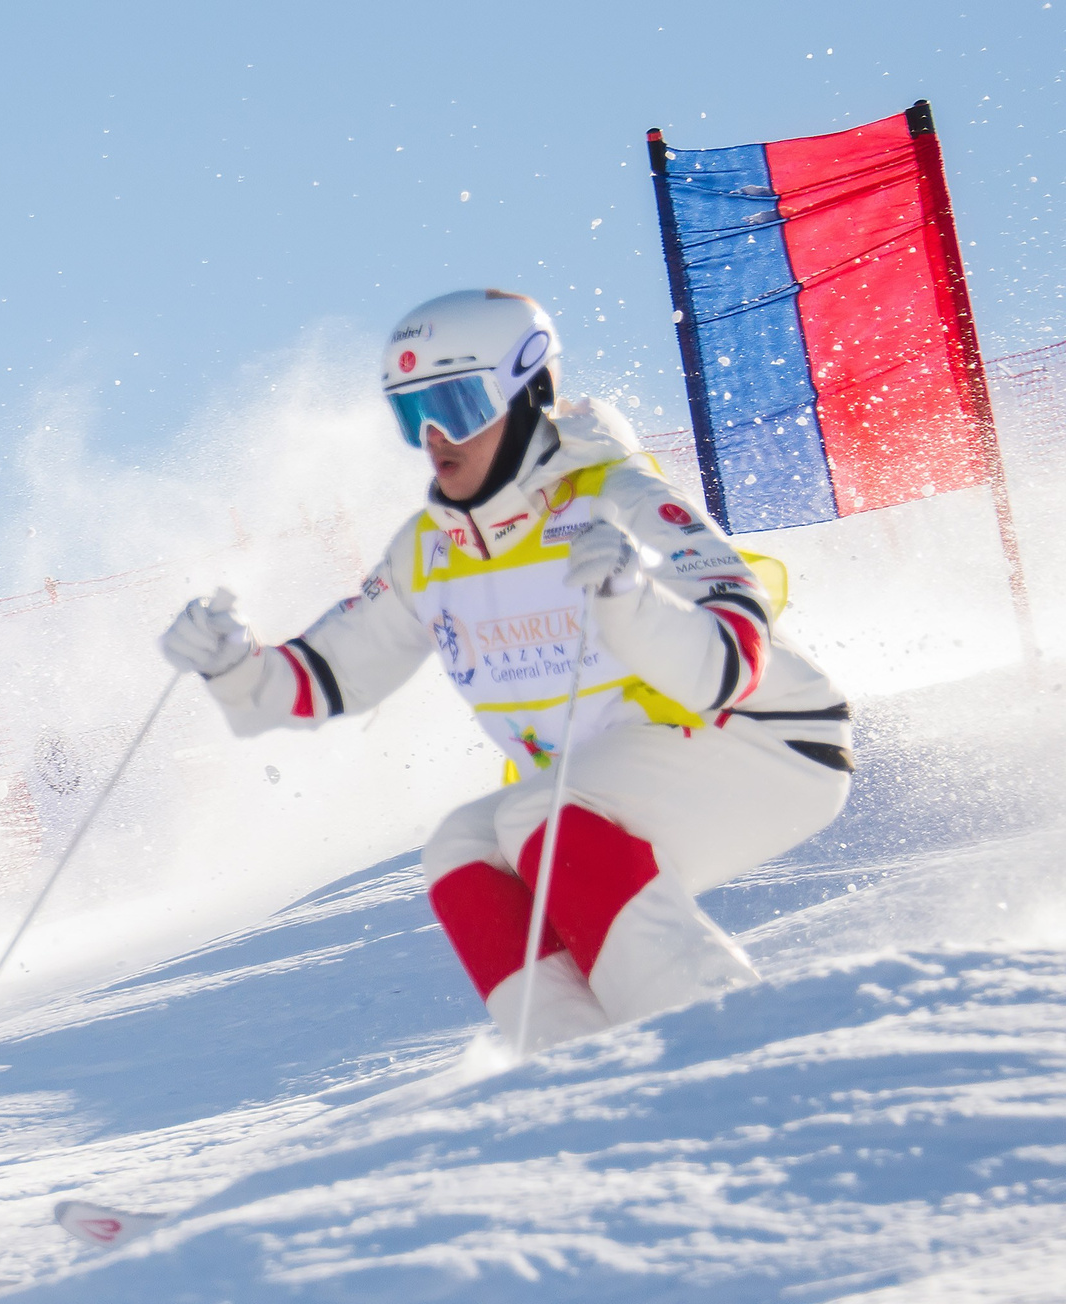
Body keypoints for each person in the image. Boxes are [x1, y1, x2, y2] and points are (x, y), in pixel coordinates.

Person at [160, 289, 851, 1051]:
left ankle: (717, 1039)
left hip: (764, 737)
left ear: (531, 396)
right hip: (612, 775)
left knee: (538, 817)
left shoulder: (616, 499)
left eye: (455, 404)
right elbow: (329, 673)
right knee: (461, 848)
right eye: (409, 412)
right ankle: (574, 1063)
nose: (432, 437)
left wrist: (632, 597)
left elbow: (731, 659)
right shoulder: (430, 551)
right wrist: (234, 668)